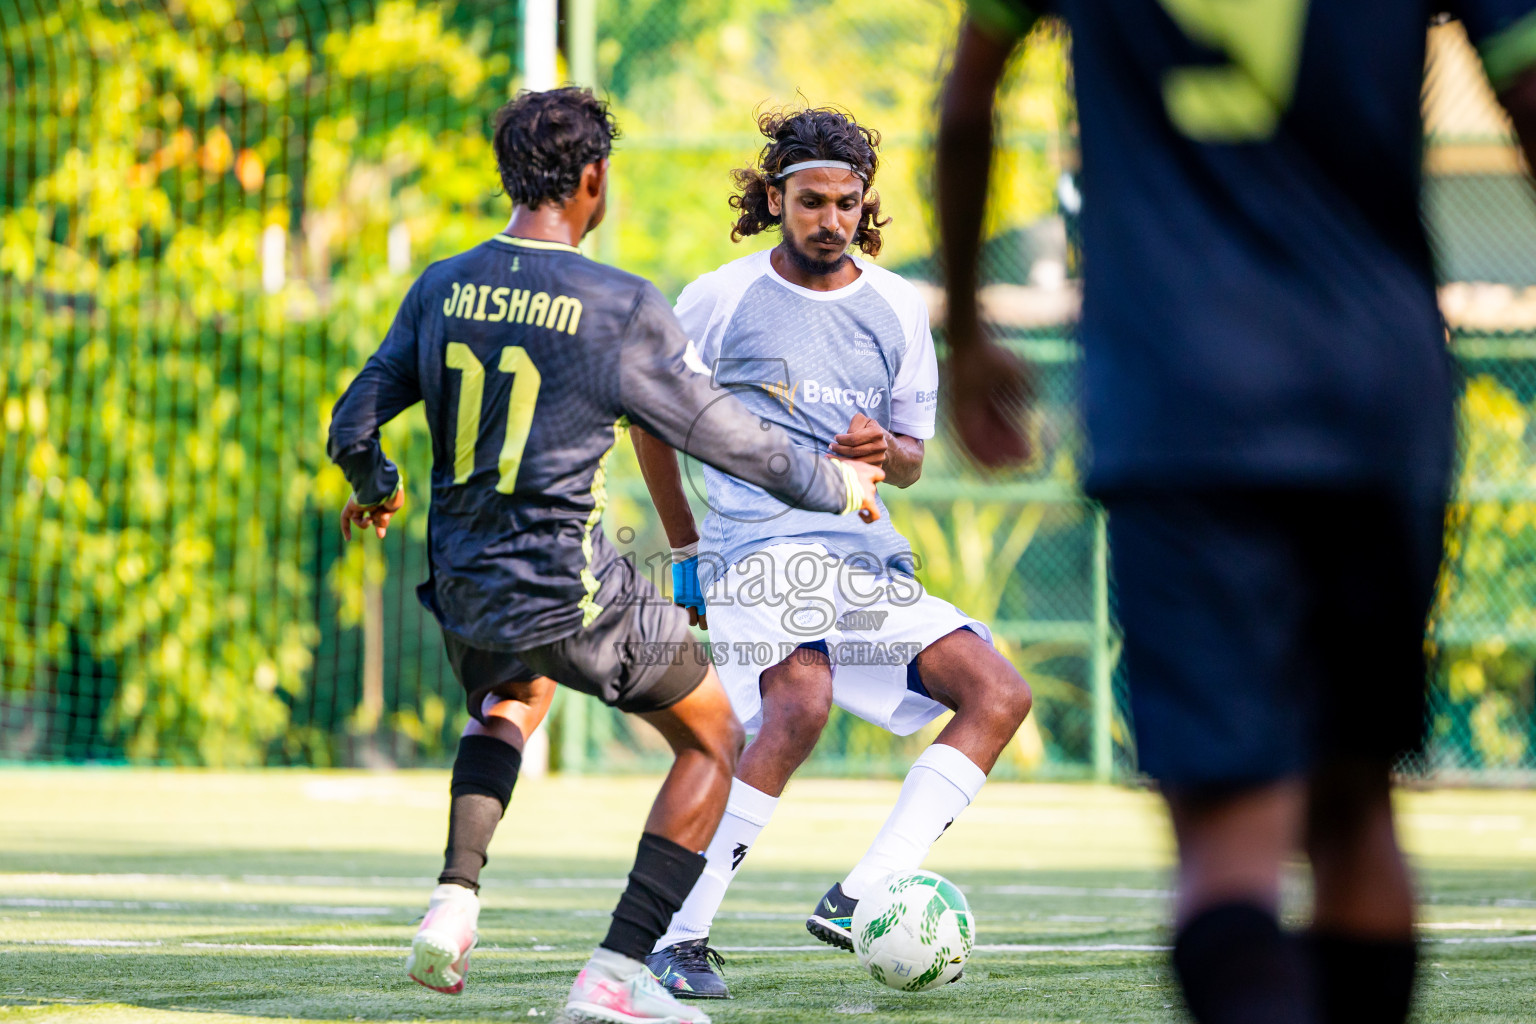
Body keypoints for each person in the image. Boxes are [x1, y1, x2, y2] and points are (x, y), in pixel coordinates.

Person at [937, 5, 1536, 1024]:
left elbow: (967, 97)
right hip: (1374, 392)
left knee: (1228, 844)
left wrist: (966, 329)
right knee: (1357, 810)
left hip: (1183, 404)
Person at [328, 87, 882, 1024]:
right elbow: (726, 437)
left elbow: (352, 424)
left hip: (463, 585)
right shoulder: (615, 303)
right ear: (594, 179)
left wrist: (378, 487)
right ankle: (617, 974)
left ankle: (454, 899)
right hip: (571, 590)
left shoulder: (441, 286)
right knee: (714, 738)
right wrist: (837, 483)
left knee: (514, 696)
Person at [633, 107, 1033, 999]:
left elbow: (913, 460)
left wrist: (885, 453)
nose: (830, 219)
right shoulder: (722, 296)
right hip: (752, 548)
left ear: (864, 203)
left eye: (847, 203)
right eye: (811, 201)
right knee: (801, 698)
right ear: (775, 198)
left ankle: (862, 895)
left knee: (998, 692)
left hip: (860, 558)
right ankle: (677, 936)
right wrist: (687, 547)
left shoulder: (897, 307)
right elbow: (650, 419)